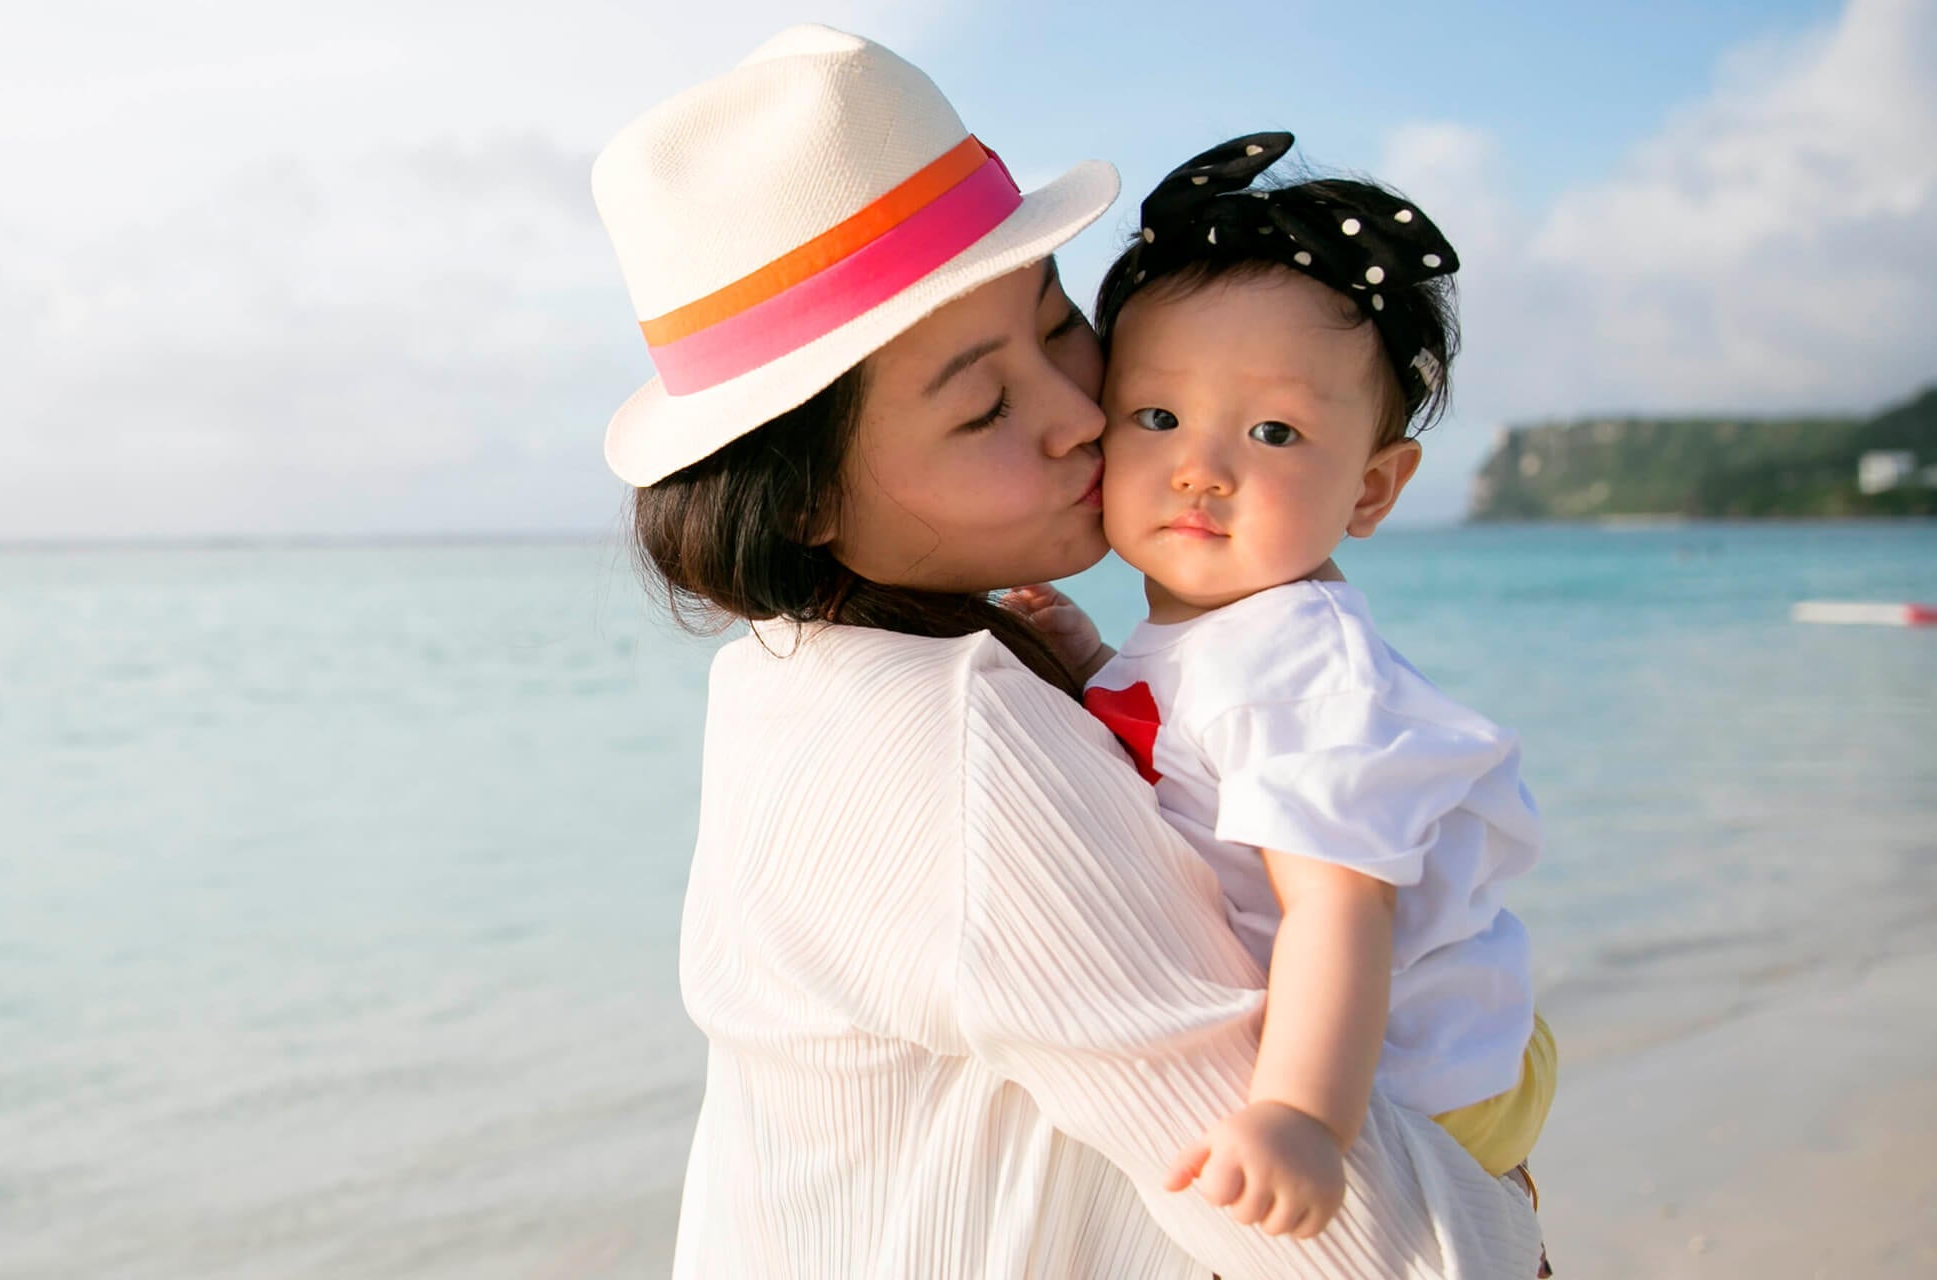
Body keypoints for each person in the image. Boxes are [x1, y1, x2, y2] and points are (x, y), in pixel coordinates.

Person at [592, 25, 1547, 1279]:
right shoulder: (955, 751)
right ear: (803, 498)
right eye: (984, 405)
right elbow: (1355, 1251)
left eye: (1057, 327)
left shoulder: (789, 669)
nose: (1081, 416)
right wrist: (1506, 1215)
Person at [1027, 133, 1556, 1251]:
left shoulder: (1296, 665)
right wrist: (1083, 661)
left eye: (1273, 432)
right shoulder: (1218, 635)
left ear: (1370, 485)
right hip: (1411, 1024)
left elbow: (1337, 906)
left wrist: (1306, 1116)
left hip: (1412, 1065)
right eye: (1157, 415)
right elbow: (1182, 747)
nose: (1200, 466)